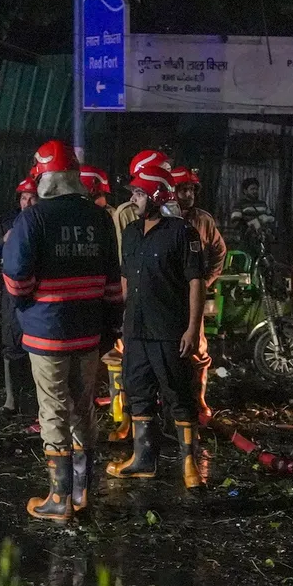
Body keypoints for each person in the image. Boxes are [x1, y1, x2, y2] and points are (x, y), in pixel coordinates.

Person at [2, 140, 121, 521]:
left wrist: (28, 306)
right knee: (83, 406)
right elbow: (112, 285)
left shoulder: (32, 220)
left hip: (47, 332)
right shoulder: (100, 218)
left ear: (43, 178)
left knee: (53, 409)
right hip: (87, 332)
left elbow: (16, 279)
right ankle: (83, 492)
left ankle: (59, 499)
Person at [106, 162, 206, 489]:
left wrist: (192, 328)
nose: (133, 199)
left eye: (138, 193)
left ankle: (189, 462)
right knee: (138, 391)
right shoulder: (132, 232)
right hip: (136, 330)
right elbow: (125, 276)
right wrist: (127, 316)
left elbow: (195, 282)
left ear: (157, 194)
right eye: (134, 192)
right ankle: (143, 460)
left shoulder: (182, 232)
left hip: (169, 329)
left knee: (178, 393)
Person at [105, 150, 172, 442]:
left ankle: (172, 423)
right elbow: (125, 262)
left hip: (169, 306)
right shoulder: (126, 215)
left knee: (174, 370)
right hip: (137, 303)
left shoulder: (179, 216)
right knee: (129, 365)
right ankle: (129, 420)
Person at [171, 165, 227, 423]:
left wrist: (205, 281)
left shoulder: (203, 220)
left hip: (192, 296)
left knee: (198, 352)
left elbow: (218, 251)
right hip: (166, 294)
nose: (188, 194)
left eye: (191, 188)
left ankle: (198, 400)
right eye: (183, 188)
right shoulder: (162, 217)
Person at [0, 176, 39, 415]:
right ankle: (11, 400)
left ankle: (38, 400)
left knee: (39, 346)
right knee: (11, 342)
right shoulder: (6, 223)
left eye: (32, 198)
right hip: (11, 292)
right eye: (24, 198)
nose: (27, 202)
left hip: (37, 290)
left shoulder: (44, 221)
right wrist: (1, 241)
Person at [229, 177, 277, 242]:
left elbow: (271, 218)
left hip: (264, 239)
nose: (255, 191)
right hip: (246, 239)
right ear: (245, 191)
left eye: (256, 189)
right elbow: (235, 221)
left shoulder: (263, 204)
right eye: (252, 189)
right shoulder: (239, 205)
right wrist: (251, 223)